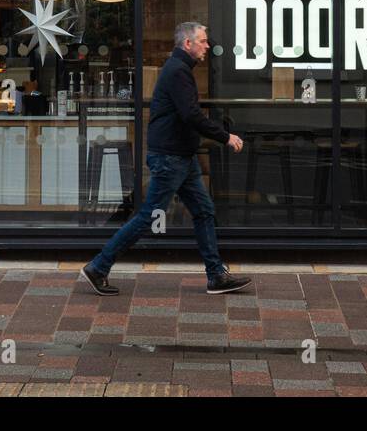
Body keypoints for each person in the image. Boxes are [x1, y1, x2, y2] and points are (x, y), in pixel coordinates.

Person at [82, 21, 252, 296]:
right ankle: (98, 267)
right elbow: (191, 115)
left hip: (182, 157)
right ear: (188, 43)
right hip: (171, 158)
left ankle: (216, 275)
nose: (207, 46)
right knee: (148, 216)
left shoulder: (180, 70)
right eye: (203, 41)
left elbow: (188, 114)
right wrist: (225, 136)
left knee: (204, 211)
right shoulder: (177, 72)